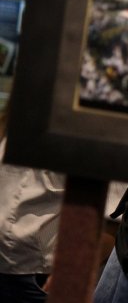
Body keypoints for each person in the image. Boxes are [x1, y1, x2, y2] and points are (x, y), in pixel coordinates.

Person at [0, 106, 66, 303]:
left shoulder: (85, 137)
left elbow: (110, 221)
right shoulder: (11, 124)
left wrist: (68, 275)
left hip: (37, 276)